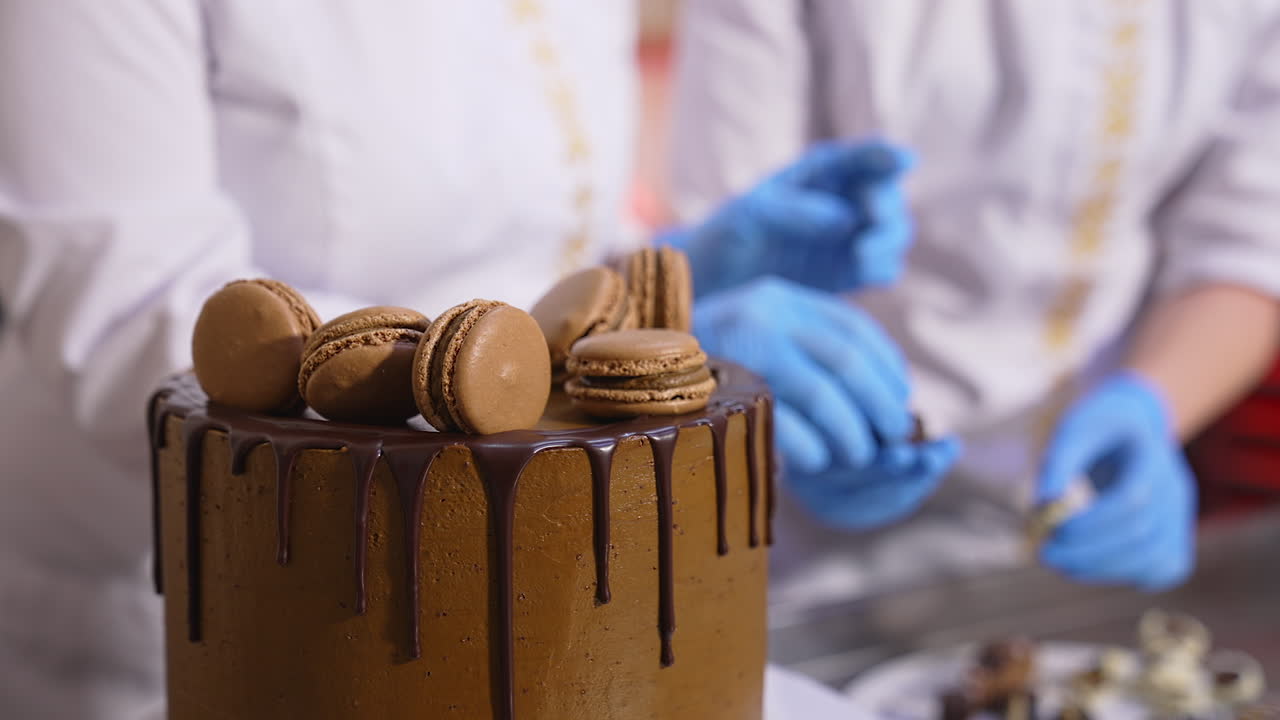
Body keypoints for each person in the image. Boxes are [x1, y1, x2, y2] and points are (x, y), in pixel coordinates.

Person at [0, 2, 911, 717]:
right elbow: (133, 310)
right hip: (227, 611)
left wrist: (662, 281)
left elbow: (537, 241)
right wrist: (557, 370)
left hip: (547, 606)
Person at [671, 0, 1280, 606]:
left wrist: (1153, 403)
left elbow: (1244, 246)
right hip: (789, 526)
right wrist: (755, 374)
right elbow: (719, 231)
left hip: (1062, 513)